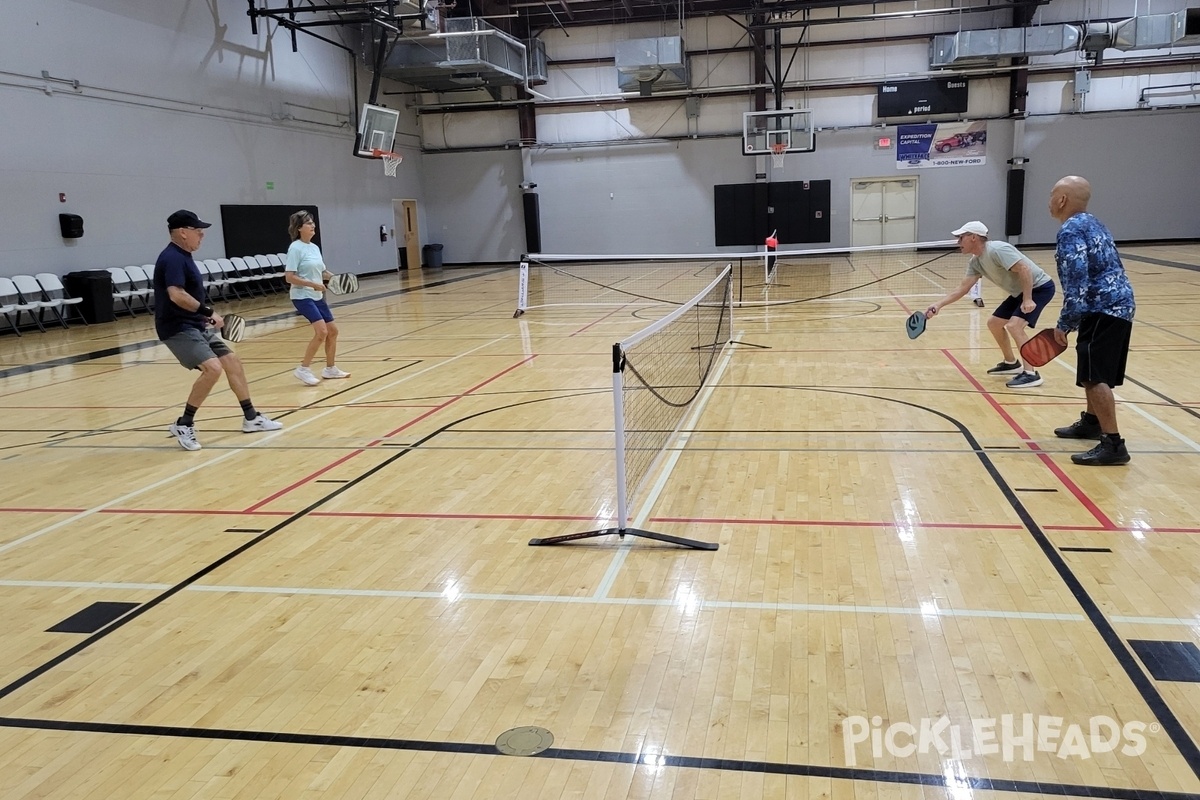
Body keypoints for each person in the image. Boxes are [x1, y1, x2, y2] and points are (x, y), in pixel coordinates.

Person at [154, 210, 283, 451]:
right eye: (197, 230)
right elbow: (176, 294)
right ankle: (184, 423)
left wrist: (203, 318)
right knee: (213, 369)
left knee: (232, 362)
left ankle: (251, 417)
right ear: (183, 232)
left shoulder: (184, 256)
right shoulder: (172, 258)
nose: (202, 234)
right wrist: (207, 312)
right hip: (177, 327)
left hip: (194, 325)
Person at [1048, 176, 1136, 466]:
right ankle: (1091, 422)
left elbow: (1077, 281)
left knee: (1093, 376)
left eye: (1052, 194)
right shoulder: (1094, 222)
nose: (1049, 200)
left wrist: (1064, 323)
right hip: (1118, 304)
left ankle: (1113, 444)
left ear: (1062, 200)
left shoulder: (1071, 230)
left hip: (1102, 308)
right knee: (1093, 370)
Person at [925, 220, 1056, 388]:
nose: (958, 242)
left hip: (1039, 288)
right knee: (994, 323)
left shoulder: (997, 250)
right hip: (1020, 291)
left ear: (973, 237)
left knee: (1015, 326)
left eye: (961, 238)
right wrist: (938, 305)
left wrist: (1028, 299)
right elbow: (963, 288)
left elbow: (1024, 269)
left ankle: (1031, 373)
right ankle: (1011, 362)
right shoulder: (976, 262)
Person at [285, 210, 351, 386]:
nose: (313, 225)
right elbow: (289, 277)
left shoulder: (314, 248)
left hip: (317, 296)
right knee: (321, 331)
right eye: (308, 223)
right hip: (302, 296)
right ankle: (303, 369)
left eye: (313, 222)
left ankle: (330, 369)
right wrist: (313, 284)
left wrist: (336, 278)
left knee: (333, 331)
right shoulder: (295, 248)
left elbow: (322, 271)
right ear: (299, 228)